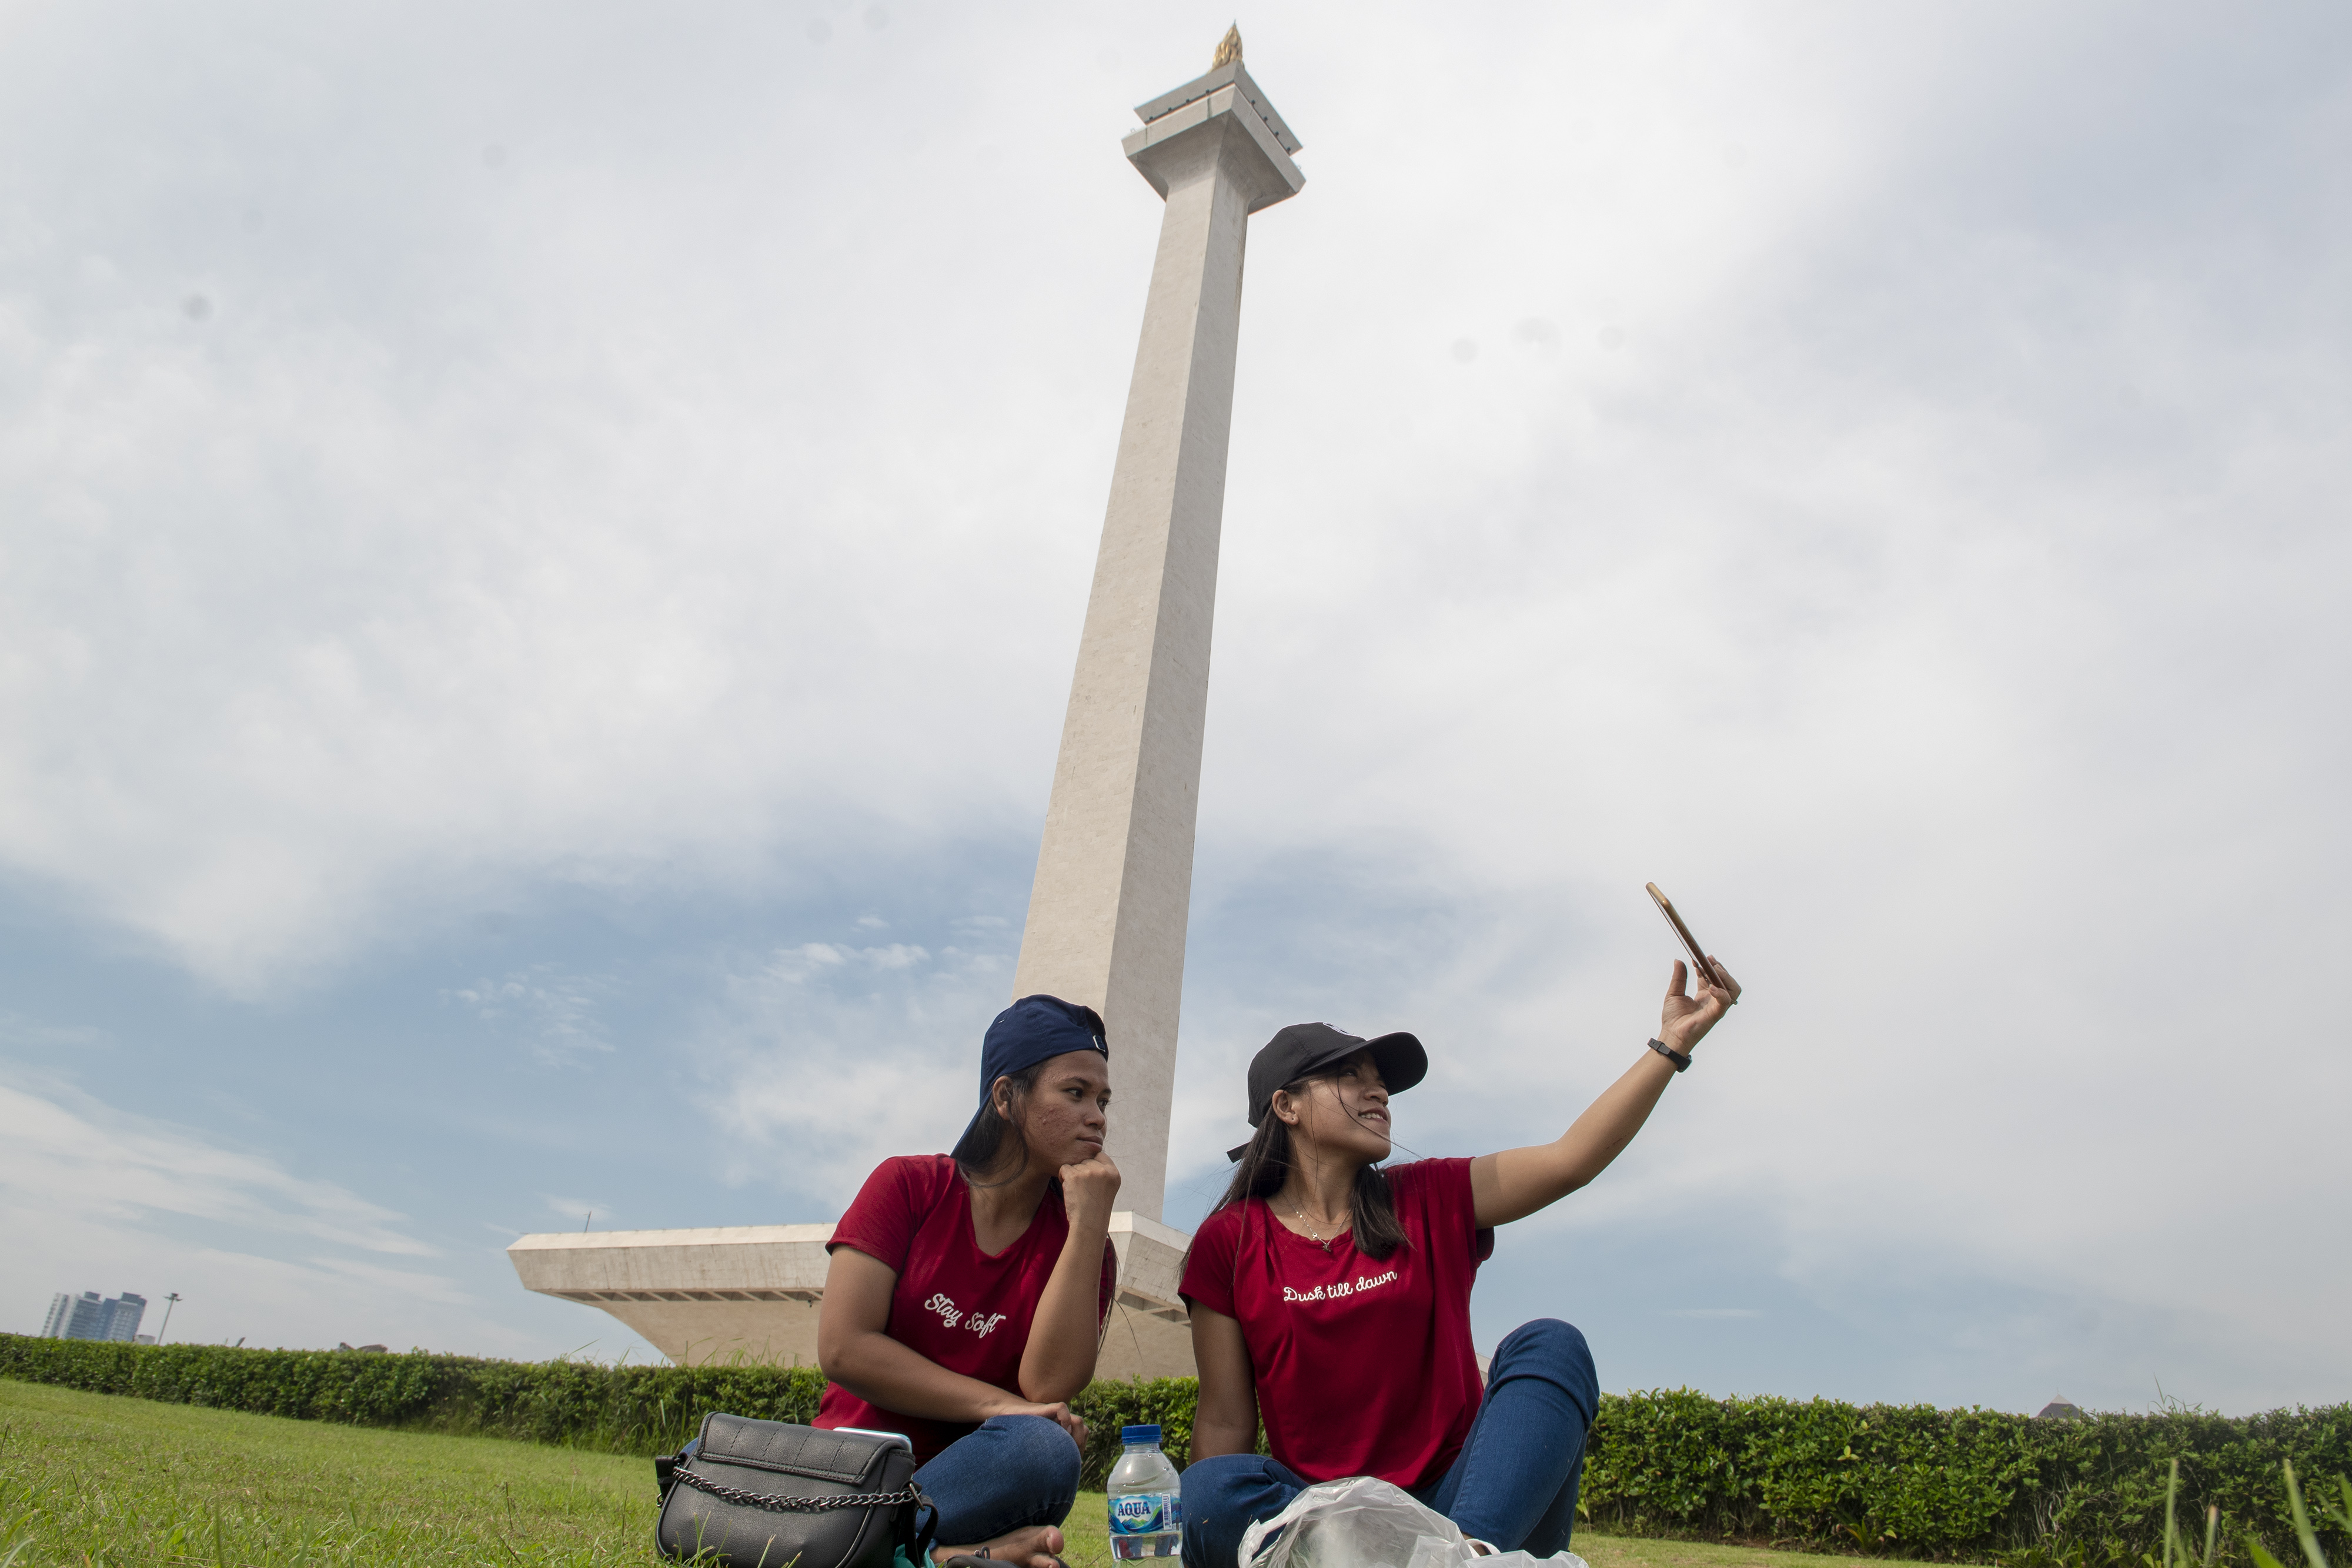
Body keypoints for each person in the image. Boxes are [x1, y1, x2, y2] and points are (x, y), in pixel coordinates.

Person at [1178, 957, 1743, 1568]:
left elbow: (1569, 1160)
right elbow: (1225, 1422)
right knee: (1209, 1487)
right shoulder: (1229, 1241)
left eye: (1381, 1082)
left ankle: (1463, 1561)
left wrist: (1672, 1044)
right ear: (1285, 1107)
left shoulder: (1430, 1196)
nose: (1379, 1093)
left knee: (1551, 1345)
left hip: (1464, 1512)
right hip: (1328, 1530)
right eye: (1349, 1076)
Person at [814, 994, 1124, 1568]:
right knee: (704, 1455)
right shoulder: (909, 1186)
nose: (1098, 1116)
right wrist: (997, 1405)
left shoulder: (1086, 1247)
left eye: (1103, 1100)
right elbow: (843, 1347)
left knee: (1043, 1448)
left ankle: (885, 1551)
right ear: (1006, 1097)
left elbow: (1047, 1388)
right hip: (856, 1465)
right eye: (1075, 1093)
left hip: (971, 1486)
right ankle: (944, 1557)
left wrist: (1087, 1228)